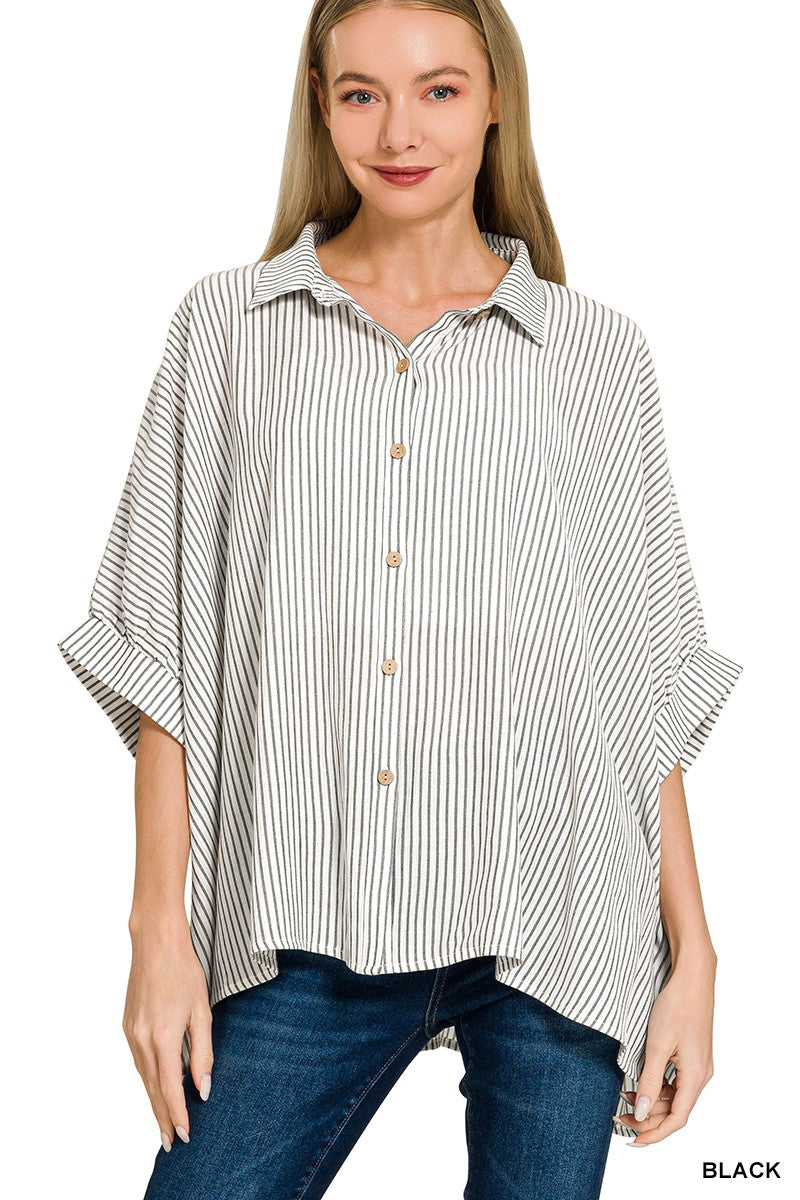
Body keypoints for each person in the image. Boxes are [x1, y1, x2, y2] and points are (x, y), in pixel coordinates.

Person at [56, 2, 743, 1197]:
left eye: (437, 89)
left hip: (553, 925)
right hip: (304, 918)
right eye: (360, 93)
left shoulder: (594, 355)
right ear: (320, 110)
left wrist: (693, 957)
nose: (398, 131)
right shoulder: (230, 328)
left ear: (494, 100)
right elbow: (166, 641)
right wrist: (155, 938)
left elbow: (635, 677)